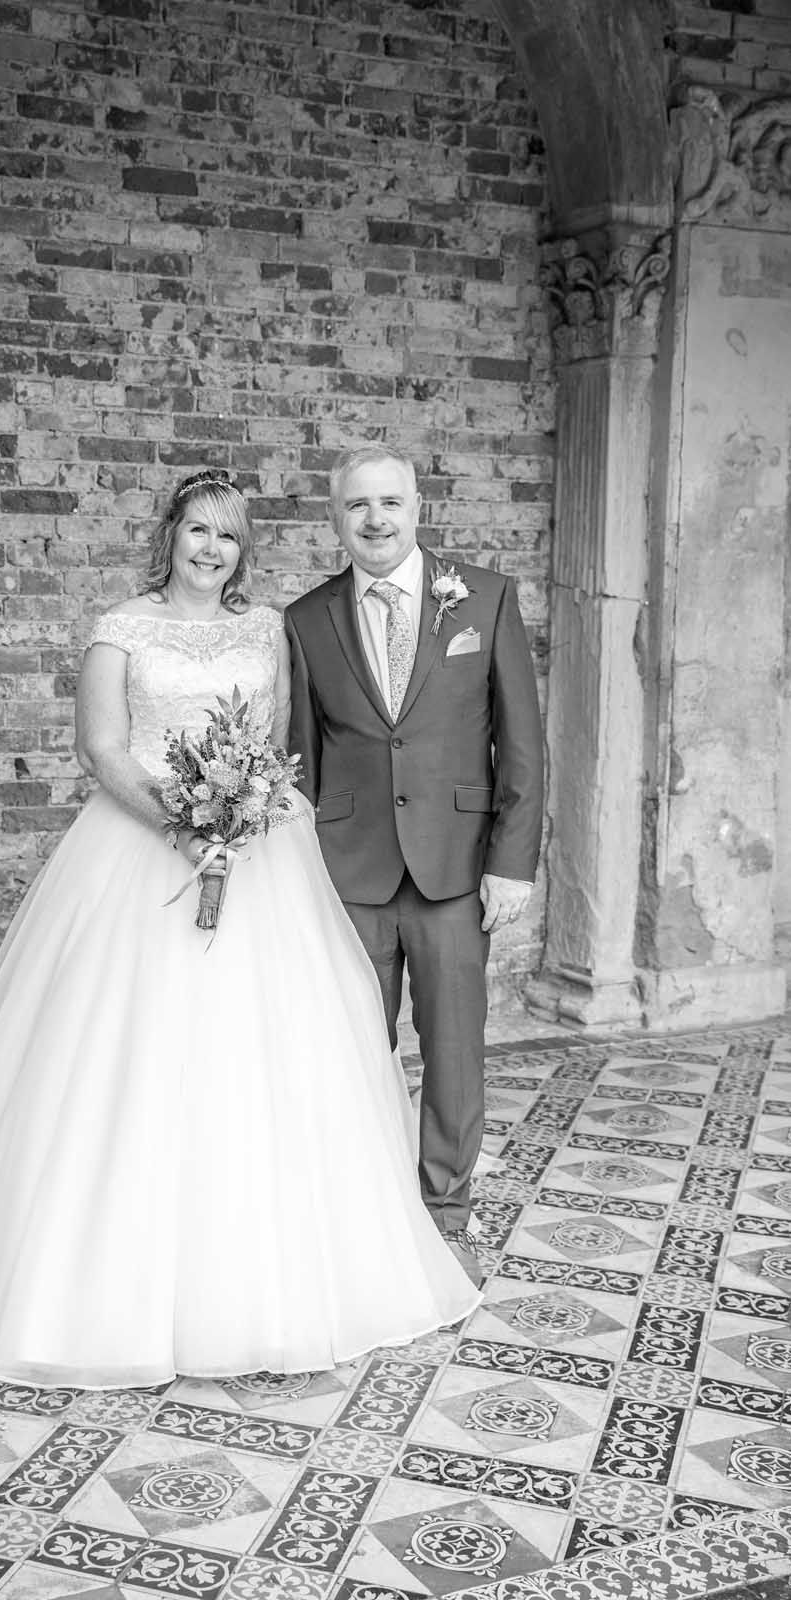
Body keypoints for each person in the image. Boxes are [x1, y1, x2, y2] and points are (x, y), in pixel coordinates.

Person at [0, 467, 480, 1389]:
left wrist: (242, 814)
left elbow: (288, 738)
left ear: (241, 549)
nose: (211, 549)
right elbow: (102, 749)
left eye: (228, 536)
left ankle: (273, 1271)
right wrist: (186, 826)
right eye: (197, 530)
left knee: (260, 1057)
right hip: (138, 853)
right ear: (169, 534)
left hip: (260, 858)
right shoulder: (121, 629)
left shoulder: (268, 632)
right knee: (117, 1054)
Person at [285, 446, 544, 1288]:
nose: (375, 520)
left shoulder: (486, 598)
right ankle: (352, 1217)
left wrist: (511, 865)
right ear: (336, 518)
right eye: (357, 506)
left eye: (390, 502)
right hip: (346, 872)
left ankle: (444, 1214)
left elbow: (522, 746)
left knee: (454, 1051)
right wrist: (299, 871)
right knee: (347, 1051)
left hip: (455, 872)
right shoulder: (307, 619)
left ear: (417, 508)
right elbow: (302, 759)